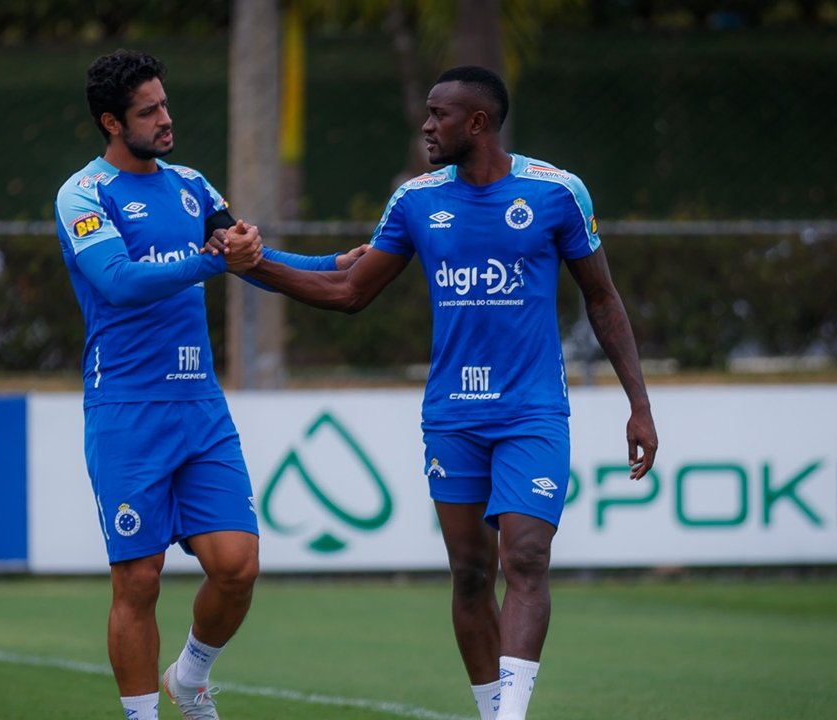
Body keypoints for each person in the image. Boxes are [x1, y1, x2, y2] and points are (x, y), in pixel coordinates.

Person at [234, 66, 658, 720]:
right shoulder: (415, 201)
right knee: (469, 573)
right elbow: (349, 292)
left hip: (532, 412)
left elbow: (601, 298)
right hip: (452, 417)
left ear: (479, 123)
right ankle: (491, 709)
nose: (426, 127)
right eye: (427, 114)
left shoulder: (557, 192)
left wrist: (640, 405)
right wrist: (255, 266)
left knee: (526, 555)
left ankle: (510, 715)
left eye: (439, 115)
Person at [53, 49, 363, 720]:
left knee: (237, 566)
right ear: (112, 122)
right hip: (126, 409)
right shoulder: (83, 194)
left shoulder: (191, 185)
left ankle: (189, 678)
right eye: (148, 111)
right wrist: (212, 262)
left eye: (165, 104)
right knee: (138, 580)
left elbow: (246, 256)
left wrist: (329, 261)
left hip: (200, 407)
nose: (166, 119)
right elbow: (118, 281)